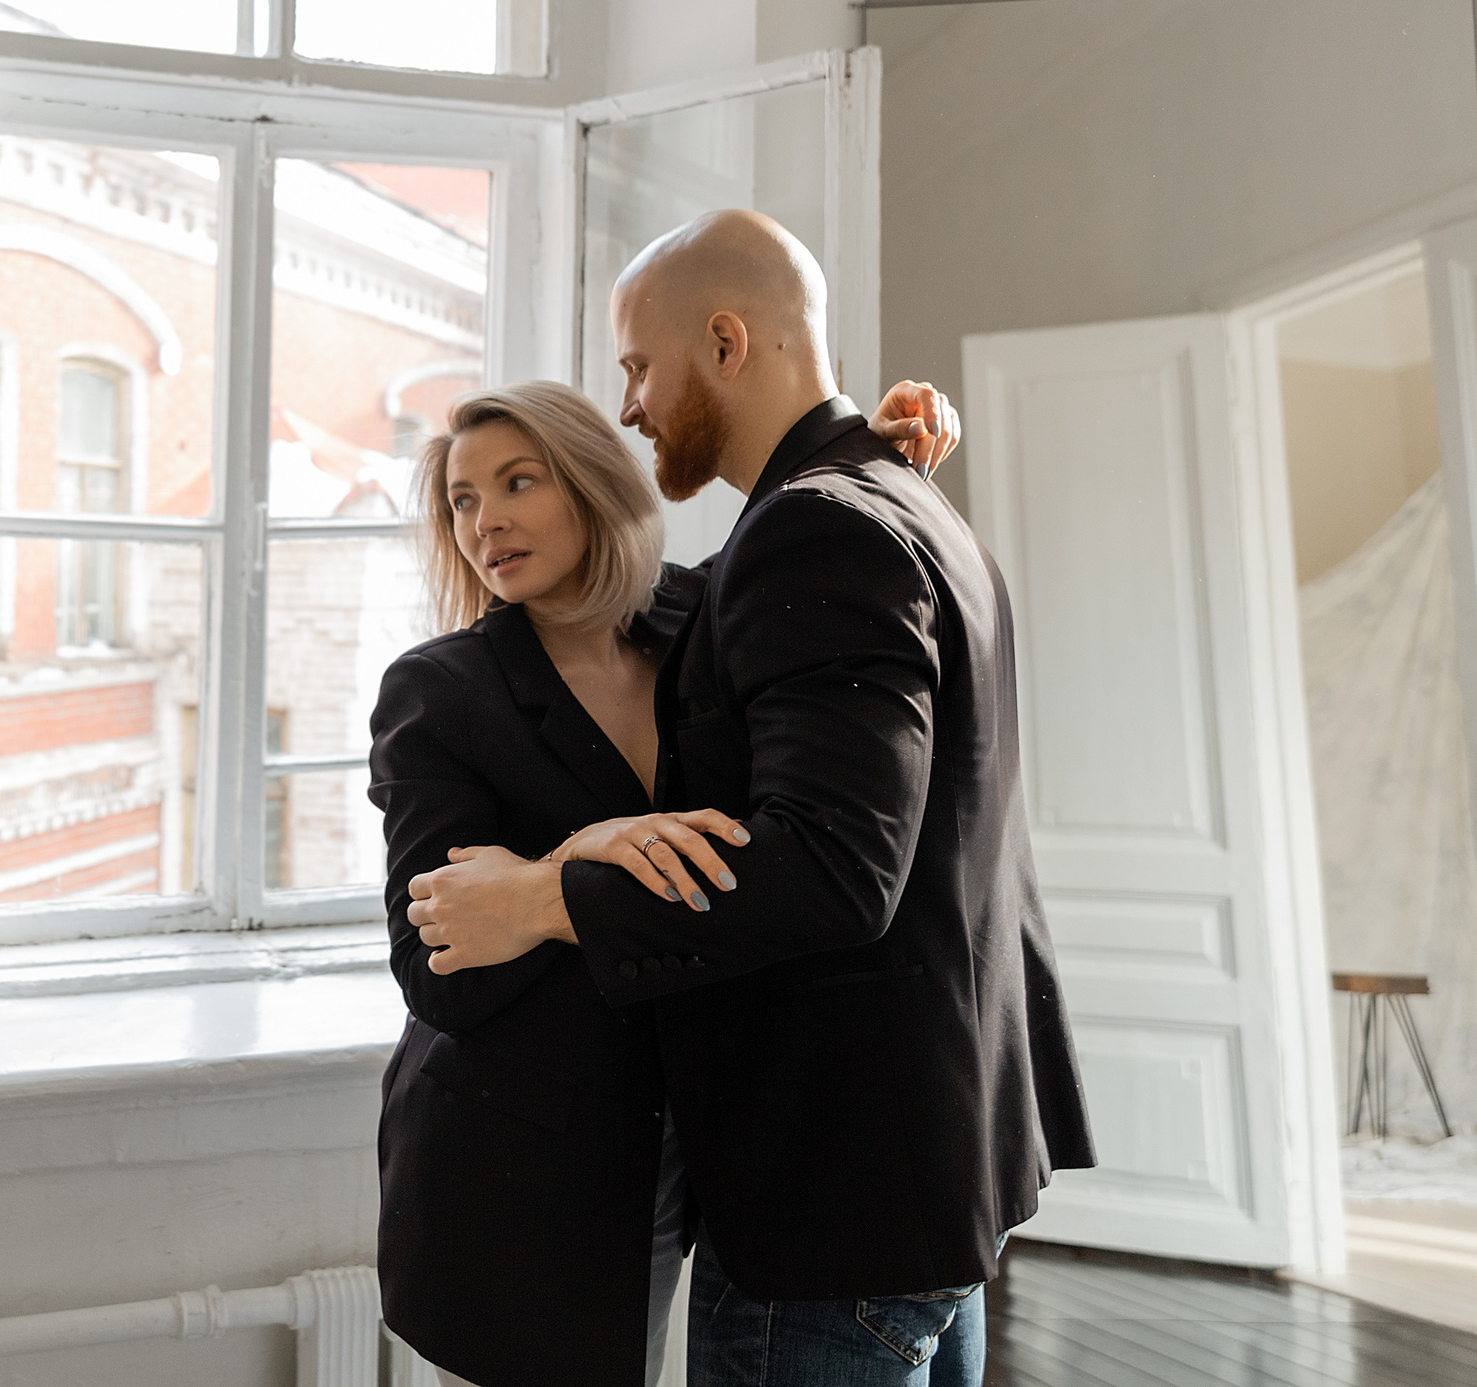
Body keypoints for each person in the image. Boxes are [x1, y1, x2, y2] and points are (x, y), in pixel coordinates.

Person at [406, 210, 1093, 1387]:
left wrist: (544, 896)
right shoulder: (893, 500)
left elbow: (832, 865)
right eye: (465, 498)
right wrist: (874, 438)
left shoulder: (815, 528)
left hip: (834, 1187)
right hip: (924, 1167)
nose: (629, 406)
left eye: (637, 366)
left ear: (725, 342)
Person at [377, 377, 960, 1387]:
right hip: (523, 1170)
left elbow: (817, 536)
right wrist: (571, 862)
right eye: (463, 501)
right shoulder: (439, 692)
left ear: (598, 485)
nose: (487, 521)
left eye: (520, 482)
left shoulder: (705, 612)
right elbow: (440, 975)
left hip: (720, 1140)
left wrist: (883, 439)